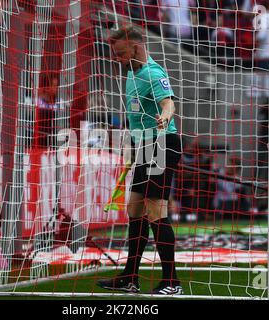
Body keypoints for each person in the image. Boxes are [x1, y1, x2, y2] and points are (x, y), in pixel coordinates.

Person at [96, 25, 183, 295]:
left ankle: (172, 282)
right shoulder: (130, 75)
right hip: (144, 146)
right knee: (134, 209)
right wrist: (134, 149)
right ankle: (130, 277)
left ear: (135, 47)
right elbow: (136, 117)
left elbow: (169, 102)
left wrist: (165, 117)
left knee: (156, 211)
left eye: (121, 54)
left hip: (161, 143)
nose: (117, 59)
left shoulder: (153, 73)